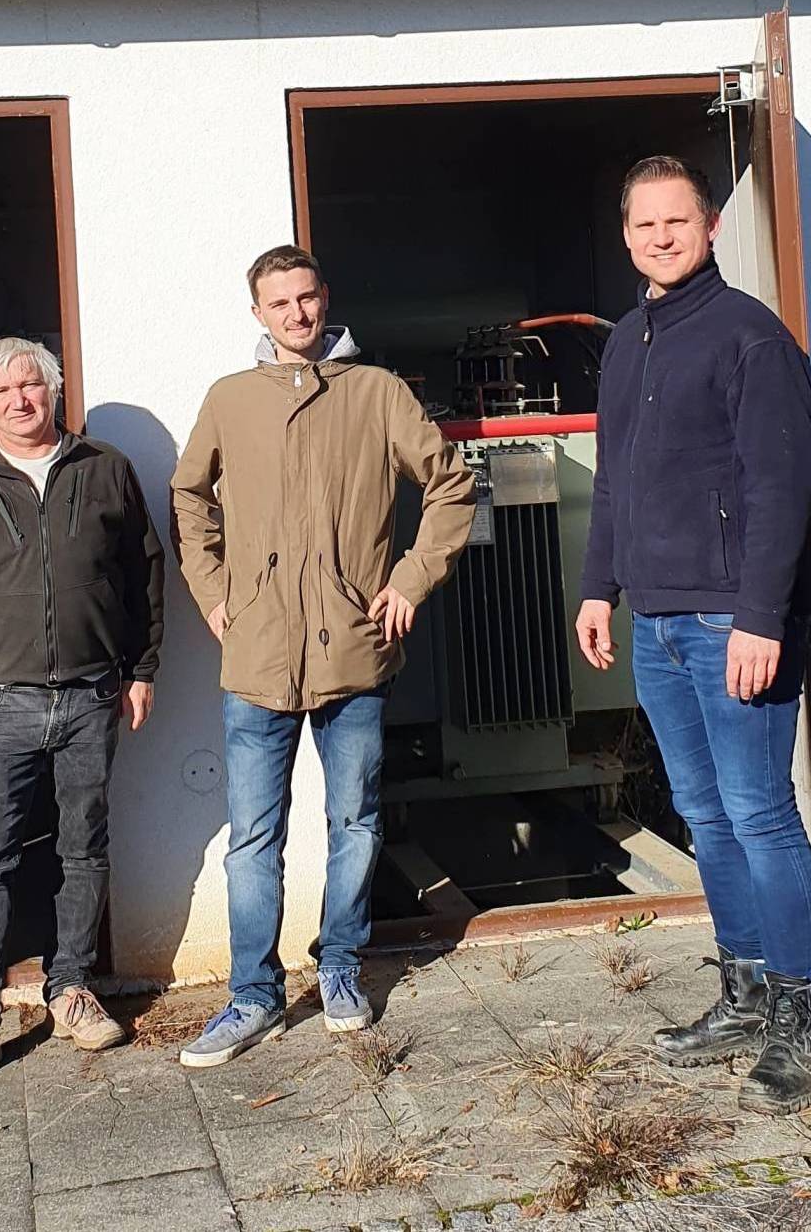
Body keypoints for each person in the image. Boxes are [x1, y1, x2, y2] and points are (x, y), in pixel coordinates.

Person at [169, 245, 475, 1067]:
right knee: (253, 838)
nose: (297, 315)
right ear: (258, 313)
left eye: (307, 299)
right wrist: (212, 591)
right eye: (280, 304)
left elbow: (449, 485)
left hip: (353, 650)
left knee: (356, 821)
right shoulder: (231, 400)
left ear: (325, 299)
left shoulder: (376, 392)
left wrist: (410, 578)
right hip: (259, 653)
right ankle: (252, 995)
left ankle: (340, 967)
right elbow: (188, 494)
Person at [574, 155, 811, 1114]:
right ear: (627, 233)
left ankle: (800, 1016)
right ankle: (745, 992)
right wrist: (599, 588)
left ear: (709, 224)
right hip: (656, 620)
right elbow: (613, 482)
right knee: (707, 814)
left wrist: (761, 616)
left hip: (732, 618)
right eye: (644, 225)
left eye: (676, 222)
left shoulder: (749, 338)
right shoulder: (628, 339)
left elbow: (780, 492)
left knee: (760, 811)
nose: (660, 238)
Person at [0, 336, 165, 1094]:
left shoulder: (105, 469)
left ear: (55, 391)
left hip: (91, 695)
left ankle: (73, 988)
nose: (21, 399)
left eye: (33, 385)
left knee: (84, 848)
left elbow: (144, 572)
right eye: (4, 391)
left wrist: (142, 668)